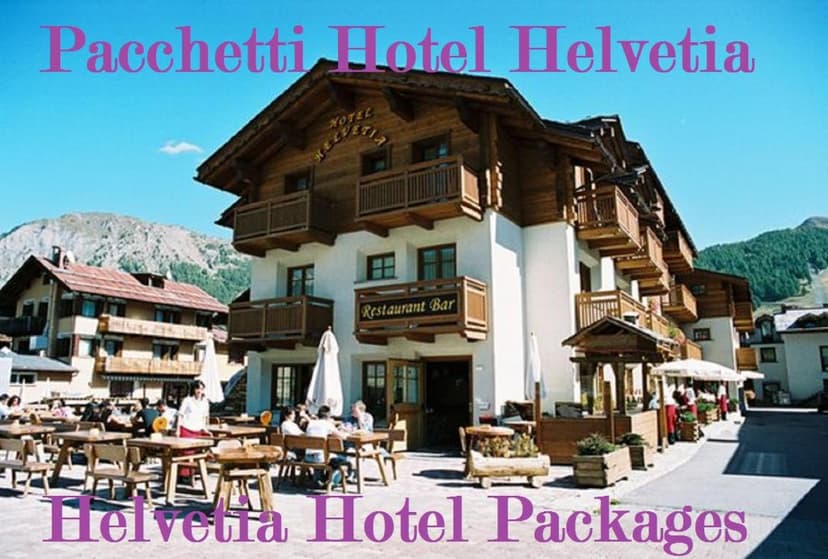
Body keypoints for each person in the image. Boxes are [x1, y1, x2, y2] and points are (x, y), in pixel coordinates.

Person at [304, 405, 351, 486]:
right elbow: (342, 436)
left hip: (307, 456)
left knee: (321, 452)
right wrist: (348, 433)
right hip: (320, 458)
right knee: (345, 460)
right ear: (328, 416)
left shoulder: (311, 423)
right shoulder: (327, 424)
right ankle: (333, 482)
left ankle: (318, 479)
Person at [176, 380, 210, 482]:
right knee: (186, 453)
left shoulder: (205, 402)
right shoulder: (187, 400)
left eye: (201, 388)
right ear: (193, 389)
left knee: (202, 451)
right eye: (197, 388)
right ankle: (183, 476)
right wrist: (178, 429)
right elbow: (180, 415)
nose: (199, 391)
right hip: (186, 428)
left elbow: (205, 416)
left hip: (198, 429)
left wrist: (205, 428)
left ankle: (195, 472)